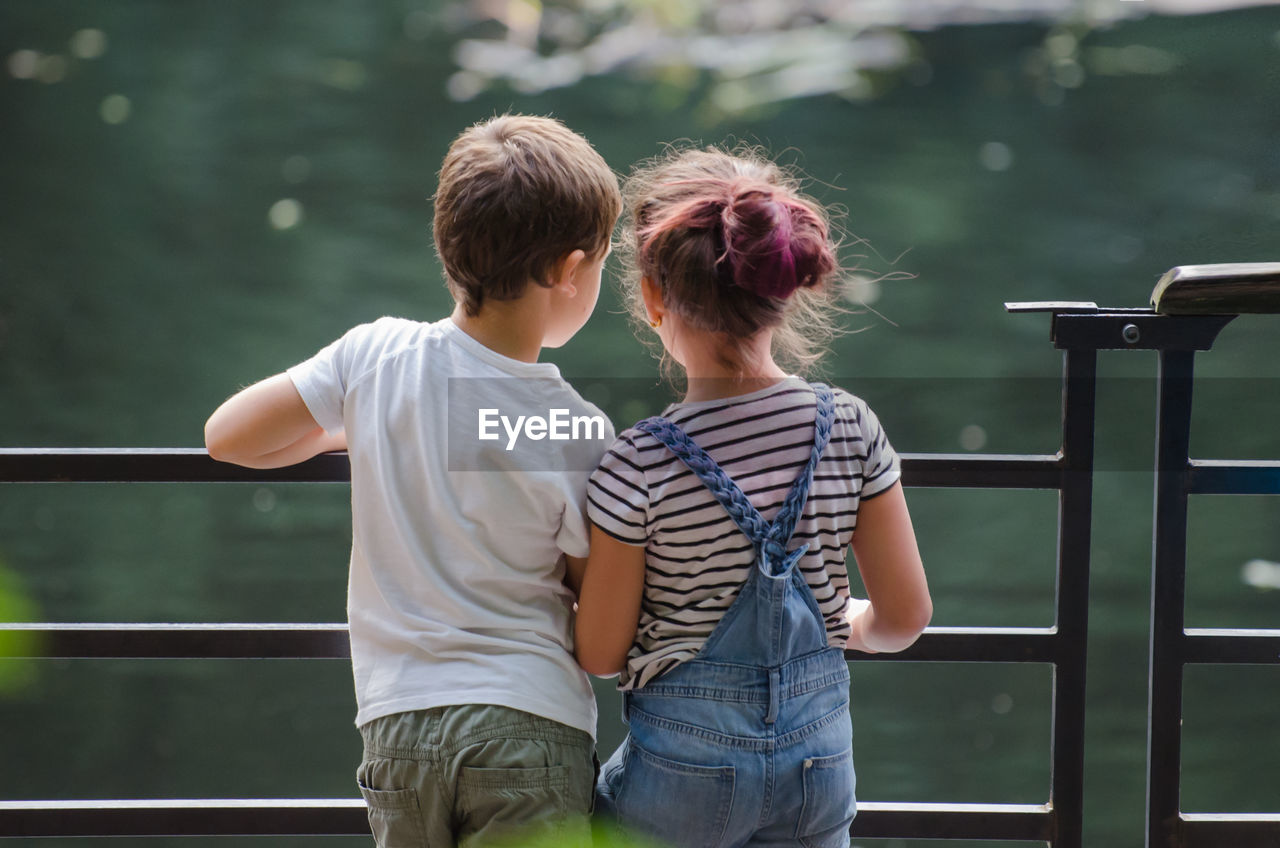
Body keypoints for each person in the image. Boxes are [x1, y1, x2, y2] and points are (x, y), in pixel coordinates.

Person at [204, 114, 622, 848]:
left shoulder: (375, 357)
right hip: (529, 727)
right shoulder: (573, 428)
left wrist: (363, 430)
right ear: (567, 271)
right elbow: (596, 618)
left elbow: (230, 437)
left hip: (398, 729)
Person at [574, 145, 932, 848]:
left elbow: (601, 652)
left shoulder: (638, 461)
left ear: (653, 297)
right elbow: (905, 616)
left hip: (683, 773)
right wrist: (847, 625)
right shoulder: (850, 426)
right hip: (819, 761)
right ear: (784, 288)